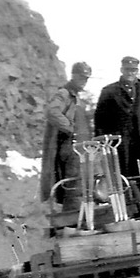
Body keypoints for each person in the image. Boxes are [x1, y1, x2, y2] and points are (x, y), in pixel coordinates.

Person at [94, 56, 140, 178]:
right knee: (124, 178)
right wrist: (101, 144)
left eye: (133, 70)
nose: (130, 73)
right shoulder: (109, 91)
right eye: (127, 69)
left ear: (137, 71)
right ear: (122, 70)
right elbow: (100, 121)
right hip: (121, 144)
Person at [40, 62, 92, 210]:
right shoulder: (64, 93)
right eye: (81, 78)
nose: (84, 81)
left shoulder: (75, 96)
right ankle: (71, 223)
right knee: (74, 186)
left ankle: (77, 220)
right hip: (71, 148)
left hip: (79, 148)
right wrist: (70, 128)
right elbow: (52, 112)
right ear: (73, 76)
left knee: (80, 186)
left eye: (86, 79)